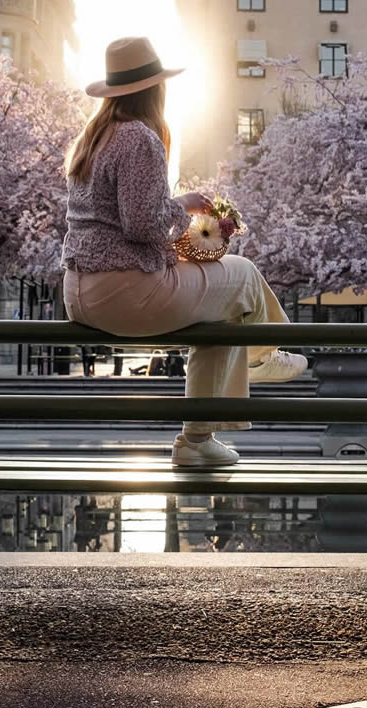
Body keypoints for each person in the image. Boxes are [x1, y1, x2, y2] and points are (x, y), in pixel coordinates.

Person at [61, 36, 307, 469]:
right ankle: (261, 358)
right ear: (155, 89)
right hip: (125, 291)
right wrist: (185, 209)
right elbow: (142, 225)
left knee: (224, 309)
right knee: (244, 273)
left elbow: (118, 223)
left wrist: (176, 216)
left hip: (80, 292)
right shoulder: (140, 138)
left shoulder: (94, 137)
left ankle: (202, 435)